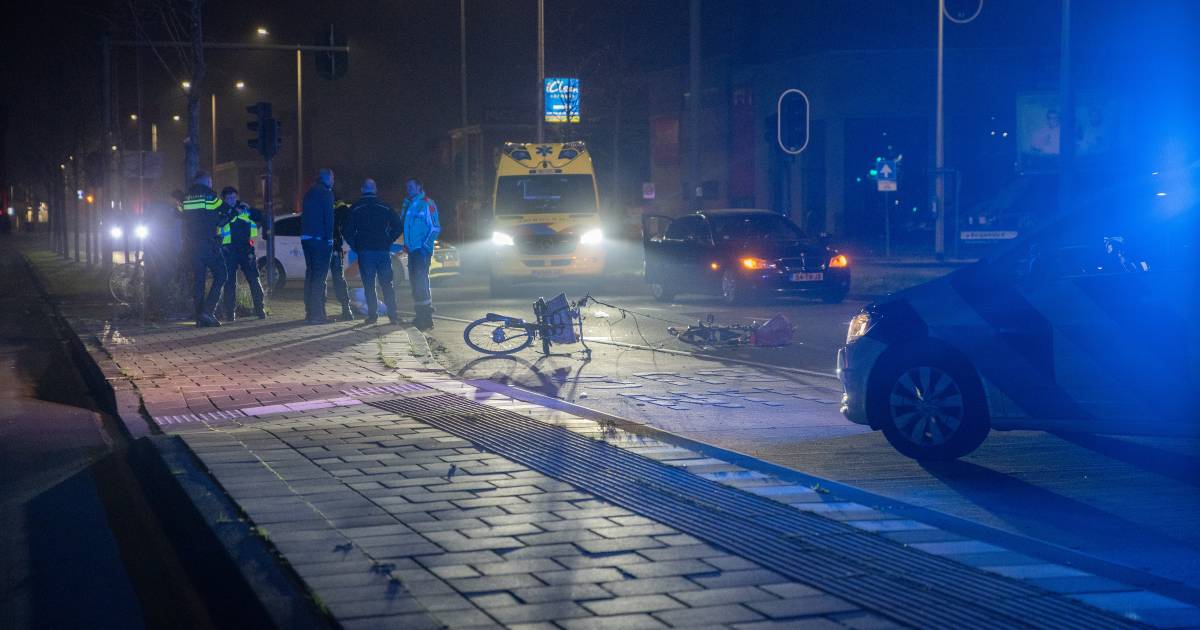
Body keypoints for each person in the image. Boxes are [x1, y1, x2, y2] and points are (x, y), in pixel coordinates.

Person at [344, 179, 403, 325]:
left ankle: (372, 316)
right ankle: (393, 315)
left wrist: (355, 245)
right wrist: (388, 239)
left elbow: (347, 230)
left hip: (365, 251)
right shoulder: (384, 206)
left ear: (362, 189)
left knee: (369, 284)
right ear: (375, 189)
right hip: (382, 250)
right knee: (387, 284)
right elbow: (398, 226)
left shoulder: (356, 207)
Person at [179, 171, 233, 327]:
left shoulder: (187, 198)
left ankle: (199, 317)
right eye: (210, 182)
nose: (211, 184)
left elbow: (183, 217)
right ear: (206, 182)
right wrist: (221, 221)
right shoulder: (210, 197)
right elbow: (228, 210)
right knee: (222, 274)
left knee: (199, 280)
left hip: (192, 246)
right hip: (208, 244)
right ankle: (208, 312)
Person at [217, 186, 267, 321]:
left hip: (246, 250)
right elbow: (219, 224)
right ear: (224, 199)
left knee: (254, 280)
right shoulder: (221, 211)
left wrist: (249, 209)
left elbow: (259, 216)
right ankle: (229, 313)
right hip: (229, 251)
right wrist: (233, 212)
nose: (232, 200)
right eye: (229, 198)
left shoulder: (244, 208)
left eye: (234, 197)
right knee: (229, 283)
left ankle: (260, 309)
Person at [401, 177, 441, 331]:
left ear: (419, 186)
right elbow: (406, 227)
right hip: (412, 251)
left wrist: (424, 246)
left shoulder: (426, 203)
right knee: (415, 283)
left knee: (420, 283)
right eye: (407, 187)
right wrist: (406, 245)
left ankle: (426, 318)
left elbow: (435, 228)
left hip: (421, 251)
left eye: (411, 186)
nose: (408, 189)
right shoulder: (409, 205)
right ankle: (420, 316)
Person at [301, 168, 335, 324]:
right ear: (327, 178)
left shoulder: (309, 192)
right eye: (332, 177)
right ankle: (317, 315)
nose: (333, 181)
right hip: (320, 239)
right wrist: (329, 239)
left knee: (311, 275)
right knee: (319, 278)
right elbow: (329, 217)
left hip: (307, 239)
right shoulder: (326, 193)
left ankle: (309, 313)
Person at [329, 199, 355, 321]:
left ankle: (317, 311)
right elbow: (347, 220)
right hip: (334, 247)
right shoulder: (339, 207)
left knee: (318, 280)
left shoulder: (319, 202)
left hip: (323, 247)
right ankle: (346, 309)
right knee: (338, 279)